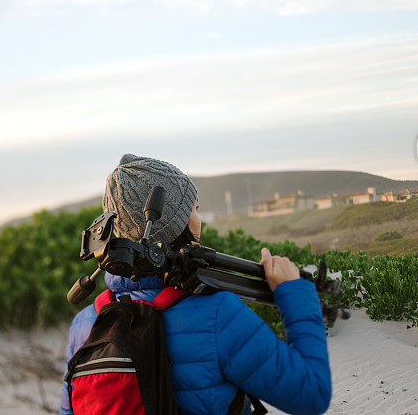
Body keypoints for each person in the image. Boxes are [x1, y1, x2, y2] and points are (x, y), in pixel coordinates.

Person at [60, 154, 331, 415]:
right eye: (195, 209)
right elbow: (312, 394)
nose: (199, 219)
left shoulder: (85, 324)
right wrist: (294, 294)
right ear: (176, 224)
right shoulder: (218, 314)